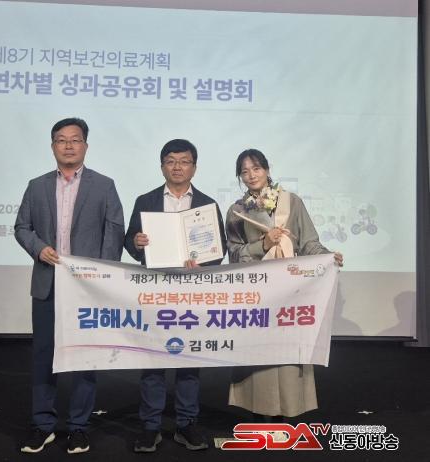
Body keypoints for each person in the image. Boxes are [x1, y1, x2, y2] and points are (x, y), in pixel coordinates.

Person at [14, 117, 124, 454]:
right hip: (48, 285)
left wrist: (99, 275)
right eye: (61, 140)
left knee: (84, 358)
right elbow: (22, 227)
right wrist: (38, 248)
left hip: (86, 289)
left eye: (75, 139)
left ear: (85, 146)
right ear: (53, 147)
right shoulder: (37, 186)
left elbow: (114, 231)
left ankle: (78, 427)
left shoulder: (104, 185)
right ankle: (43, 425)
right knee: (44, 357)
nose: (68, 145)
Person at [225, 148, 343, 421]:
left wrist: (328, 256)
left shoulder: (292, 202)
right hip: (256, 291)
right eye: (244, 171)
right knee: (258, 350)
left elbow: (309, 242)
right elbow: (234, 255)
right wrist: (264, 244)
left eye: (256, 168)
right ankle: (257, 412)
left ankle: (288, 411)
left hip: (290, 288)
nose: (251, 175)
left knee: (287, 349)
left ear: (267, 170)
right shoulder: (237, 211)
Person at [125, 139, 227, 452]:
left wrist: (204, 263)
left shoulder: (208, 204)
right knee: (153, 359)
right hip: (155, 290)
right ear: (162, 166)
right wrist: (137, 243)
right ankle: (150, 426)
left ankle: (186, 424)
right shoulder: (146, 200)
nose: (177, 167)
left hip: (191, 292)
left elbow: (220, 248)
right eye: (171, 161)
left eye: (184, 161)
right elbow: (129, 241)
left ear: (194, 167)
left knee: (189, 359)